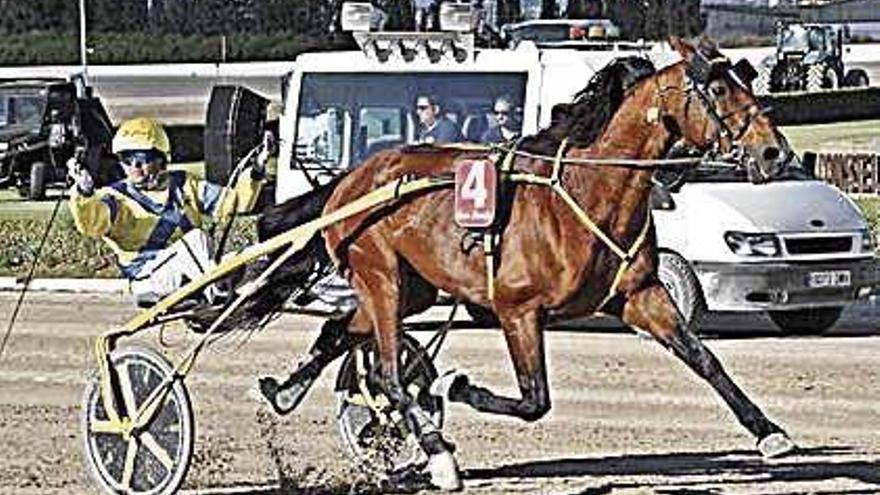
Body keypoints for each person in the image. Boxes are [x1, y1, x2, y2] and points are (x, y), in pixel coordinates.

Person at [68, 117, 266, 305]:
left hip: (192, 270)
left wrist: (256, 170)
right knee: (196, 239)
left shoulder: (186, 184)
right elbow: (91, 225)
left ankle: (244, 292)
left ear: (161, 159)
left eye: (141, 158)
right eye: (126, 159)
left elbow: (235, 203)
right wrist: (84, 193)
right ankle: (219, 296)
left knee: (255, 254)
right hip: (149, 278)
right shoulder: (114, 197)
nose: (134, 167)